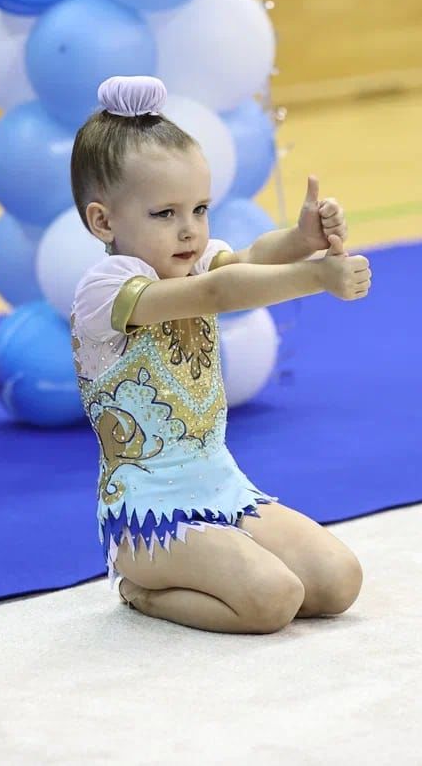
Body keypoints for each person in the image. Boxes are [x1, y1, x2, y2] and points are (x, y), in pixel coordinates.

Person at [69, 75, 370, 634]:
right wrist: (315, 277)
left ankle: (223, 554)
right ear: (103, 221)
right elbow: (215, 294)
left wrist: (302, 239)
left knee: (337, 581)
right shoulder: (108, 290)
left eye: (200, 209)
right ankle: (142, 592)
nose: (190, 230)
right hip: (148, 513)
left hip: (221, 486)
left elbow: (248, 258)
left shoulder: (190, 258)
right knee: (271, 600)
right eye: (166, 214)